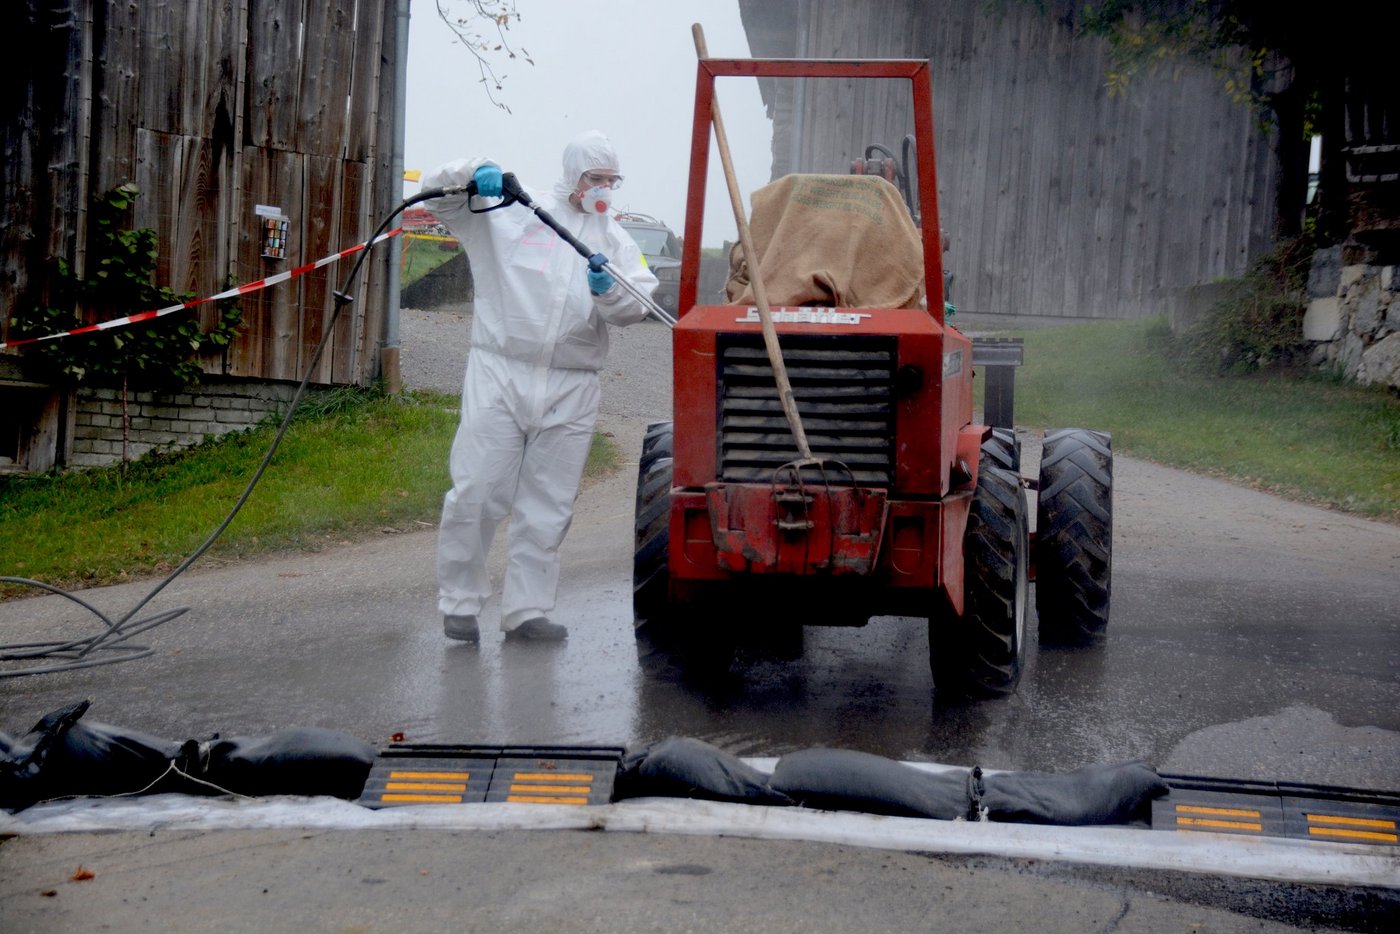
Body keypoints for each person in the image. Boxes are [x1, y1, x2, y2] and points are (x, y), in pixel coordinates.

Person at [421, 130, 658, 644]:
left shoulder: (613, 239)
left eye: (610, 181)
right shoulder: (510, 214)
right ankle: (460, 602)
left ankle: (526, 611)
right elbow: (437, 192)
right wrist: (473, 169)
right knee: (477, 490)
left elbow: (636, 306)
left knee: (548, 505)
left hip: (573, 384)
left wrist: (607, 288)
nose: (602, 189)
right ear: (572, 173)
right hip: (500, 370)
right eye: (595, 178)